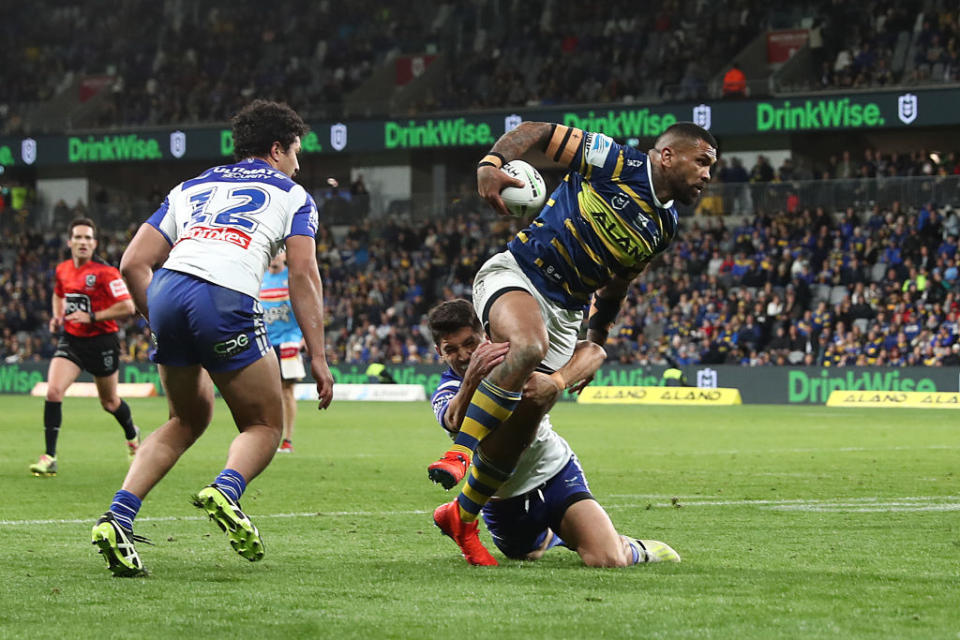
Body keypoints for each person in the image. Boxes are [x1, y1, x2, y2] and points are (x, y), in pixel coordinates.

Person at [427, 120, 717, 563]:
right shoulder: (617, 161)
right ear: (667, 155)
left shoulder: (663, 226)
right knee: (527, 346)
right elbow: (538, 131)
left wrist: (595, 340)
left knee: (531, 404)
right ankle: (459, 454)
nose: (707, 174)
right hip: (518, 273)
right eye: (702, 161)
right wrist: (492, 162)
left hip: (566, 315)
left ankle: (463, 514)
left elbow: (618, 283)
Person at [90, 99, 335, 577]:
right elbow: (302, 275)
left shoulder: (191, 186)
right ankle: (226, 489)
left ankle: (117, 517)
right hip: (225, 294)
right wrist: (319, 356)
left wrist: (156, 318)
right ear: (276, 148)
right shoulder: (292, 193)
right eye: (296, 152)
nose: (298, 163)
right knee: (265, 424)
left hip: (167, 290)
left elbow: (131, 263)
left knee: (185, 418)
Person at [428, 300, 680, 567]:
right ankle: (555, 536)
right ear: (439, 352)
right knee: (525, 554)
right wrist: (471, 381)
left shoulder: (518, 357)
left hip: (554, 473)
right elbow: (454, 420)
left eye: (470, 343)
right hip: (503, 500)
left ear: (486, 335)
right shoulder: (447, 389)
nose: (465, 355)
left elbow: (593, 351)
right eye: (451, 350)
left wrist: (559, 379)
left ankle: (637, 548)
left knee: (607, 559)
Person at [29, 217, 141, 477]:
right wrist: (57, 316)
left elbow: (127, 307)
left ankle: (132, 435)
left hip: (102, 342)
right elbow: (58, 294)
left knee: (110, 402)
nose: (83, 242)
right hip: (72, 340)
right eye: (78, 237)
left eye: (88, 238)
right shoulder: (63, 269)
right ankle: (50, 457)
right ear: (69, 242)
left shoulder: (106, 272)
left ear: (95, 243)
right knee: (54, 391)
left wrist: (92, 317)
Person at [259, 250, 306, 454]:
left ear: (285, 255)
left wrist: (304, 338)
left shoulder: (291, 279)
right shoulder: (260, 278)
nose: (274, 257)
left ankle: (287, 440)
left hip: (289, 342)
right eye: (272, 253)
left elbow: (305, 308)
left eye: (278, 253)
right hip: (265, 341)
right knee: (265, 392)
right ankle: (263, 436)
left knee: (287, 391)